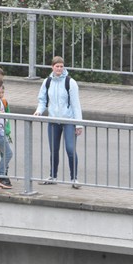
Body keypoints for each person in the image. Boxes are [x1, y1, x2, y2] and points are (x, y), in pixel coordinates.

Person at [34, 56, 83, 189]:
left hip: (68, 121)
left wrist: (79, 124)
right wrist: (39, 111)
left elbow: (76, 105)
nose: (59, 69)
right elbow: (42, 100)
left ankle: (74, 179)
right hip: (53, 121)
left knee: (70, 149)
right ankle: (53, 176)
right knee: (54, 150)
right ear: (52, 67)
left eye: (61, 66)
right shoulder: (47, 81)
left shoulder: (70, 82)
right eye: (57, 66)